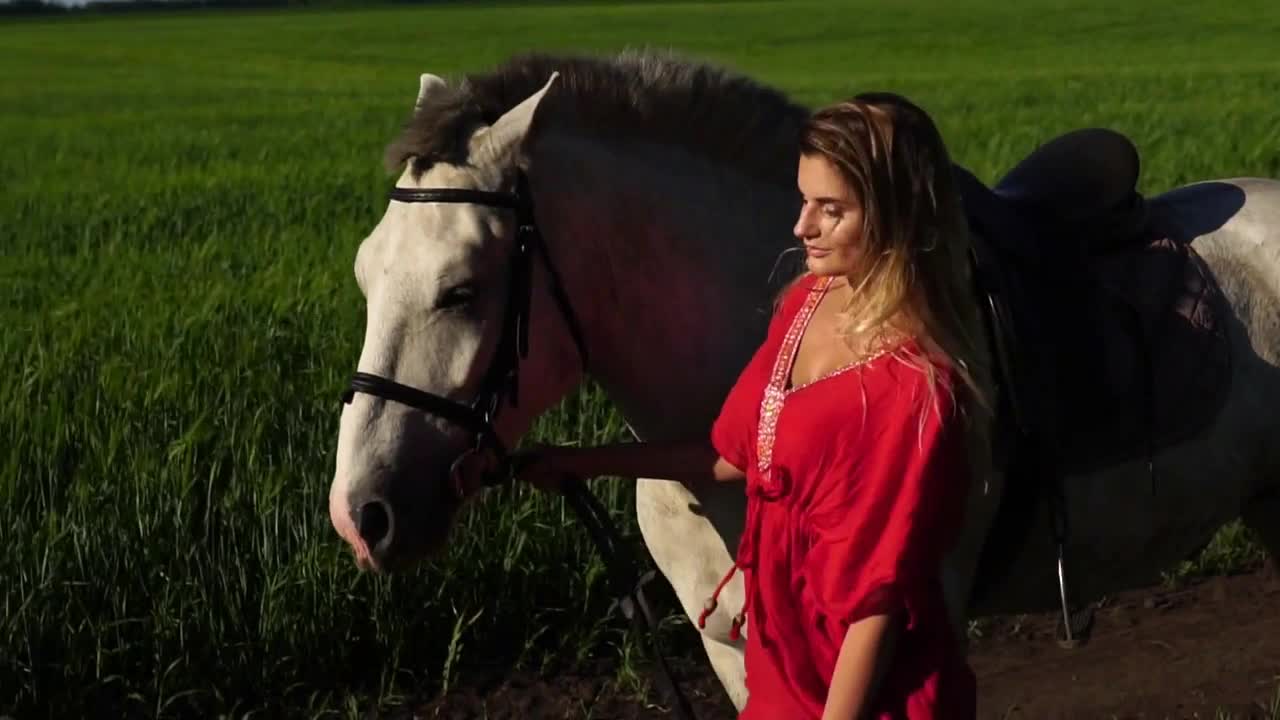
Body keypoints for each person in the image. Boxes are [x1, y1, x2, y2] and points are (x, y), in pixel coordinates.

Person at [506, 92, 995, 719]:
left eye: (831, 210)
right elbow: (736, 454)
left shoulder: (915, 390)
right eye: (803, 200)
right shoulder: (805, 304)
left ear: (895, 214)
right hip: (782, 660)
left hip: (865, 691)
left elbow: (876, 605)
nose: (801, 227)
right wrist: (581, 461)